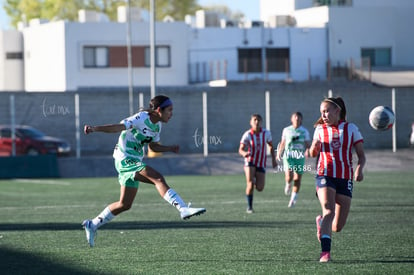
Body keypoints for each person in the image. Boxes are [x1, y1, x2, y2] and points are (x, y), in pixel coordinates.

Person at [81, 95, 206, 247]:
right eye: (169, 110)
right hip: (124, 159)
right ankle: (183, 208)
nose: (171, 114)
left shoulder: (157, 125)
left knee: (124, 204)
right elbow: (117, 127)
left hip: (134, 161)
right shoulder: (140, 118)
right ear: (159, 110)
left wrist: (169, 148)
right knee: (158, 178)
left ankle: (92, 224)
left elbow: (153, 147)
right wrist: (95, 128)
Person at [309, 97, 366, 262]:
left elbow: (361, 156)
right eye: (322, 112)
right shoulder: (320, 129)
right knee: (328, 210)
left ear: (337, 111)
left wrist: (359, 169)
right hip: (325, 174)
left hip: (345, 178)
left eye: (327, 111)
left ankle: (321, 224)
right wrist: (313, 148)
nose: (324, 115)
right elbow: (313, 153)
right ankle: (325, 253)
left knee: (337, 227)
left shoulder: (351, 129)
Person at [239, 114, 277, 213]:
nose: (257, 122)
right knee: (250, 184)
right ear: (251, 122)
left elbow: (271, 147)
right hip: (250, 161)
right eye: (255, 120)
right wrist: (244, 153)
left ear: (261, 122)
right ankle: (249, 207)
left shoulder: (266, 133)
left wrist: (274, 160)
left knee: (260, 188)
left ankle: (255, 180)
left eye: (259, 120)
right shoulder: (247, 134)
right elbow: (240, 149)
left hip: (261, 162)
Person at [276, 112, 311, 208]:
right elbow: (283, 143)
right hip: (288, 156)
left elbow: (308, 145)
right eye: (294, 116)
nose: (296, 118)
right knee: (289, 176)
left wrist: (309, 151)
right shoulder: (287, 130)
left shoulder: (304, 131)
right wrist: (279, 153)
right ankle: (288, 183)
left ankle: (293, 198)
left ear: (301, 119)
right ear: (291, 119)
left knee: (298, 179)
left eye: (298, 117)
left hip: (299, 157)